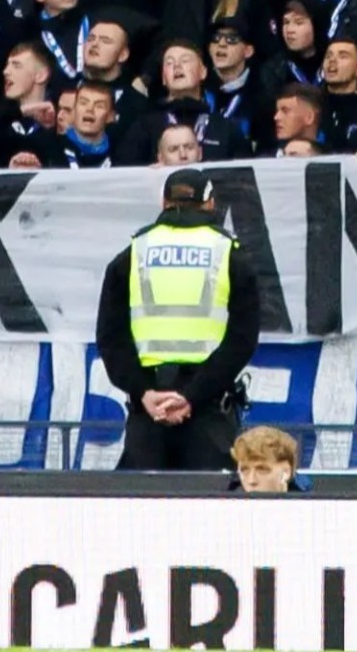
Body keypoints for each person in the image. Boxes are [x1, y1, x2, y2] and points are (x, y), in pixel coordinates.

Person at [96, 168, 260, 471]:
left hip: (148, 412)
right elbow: (242, 339)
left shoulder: (132, 254)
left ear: (164, 203)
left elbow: (110, 337)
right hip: (208, 410)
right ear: (210, 204)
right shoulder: (231, 254)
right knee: (209, 507)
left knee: (140, 511)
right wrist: (191, 397)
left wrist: (144, 393)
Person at [229, 425, 308, 493]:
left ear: (286, 472)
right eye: (245, 471)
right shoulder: (224, 507)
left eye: (262, 470)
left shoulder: (312, 508)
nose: (251, 480)